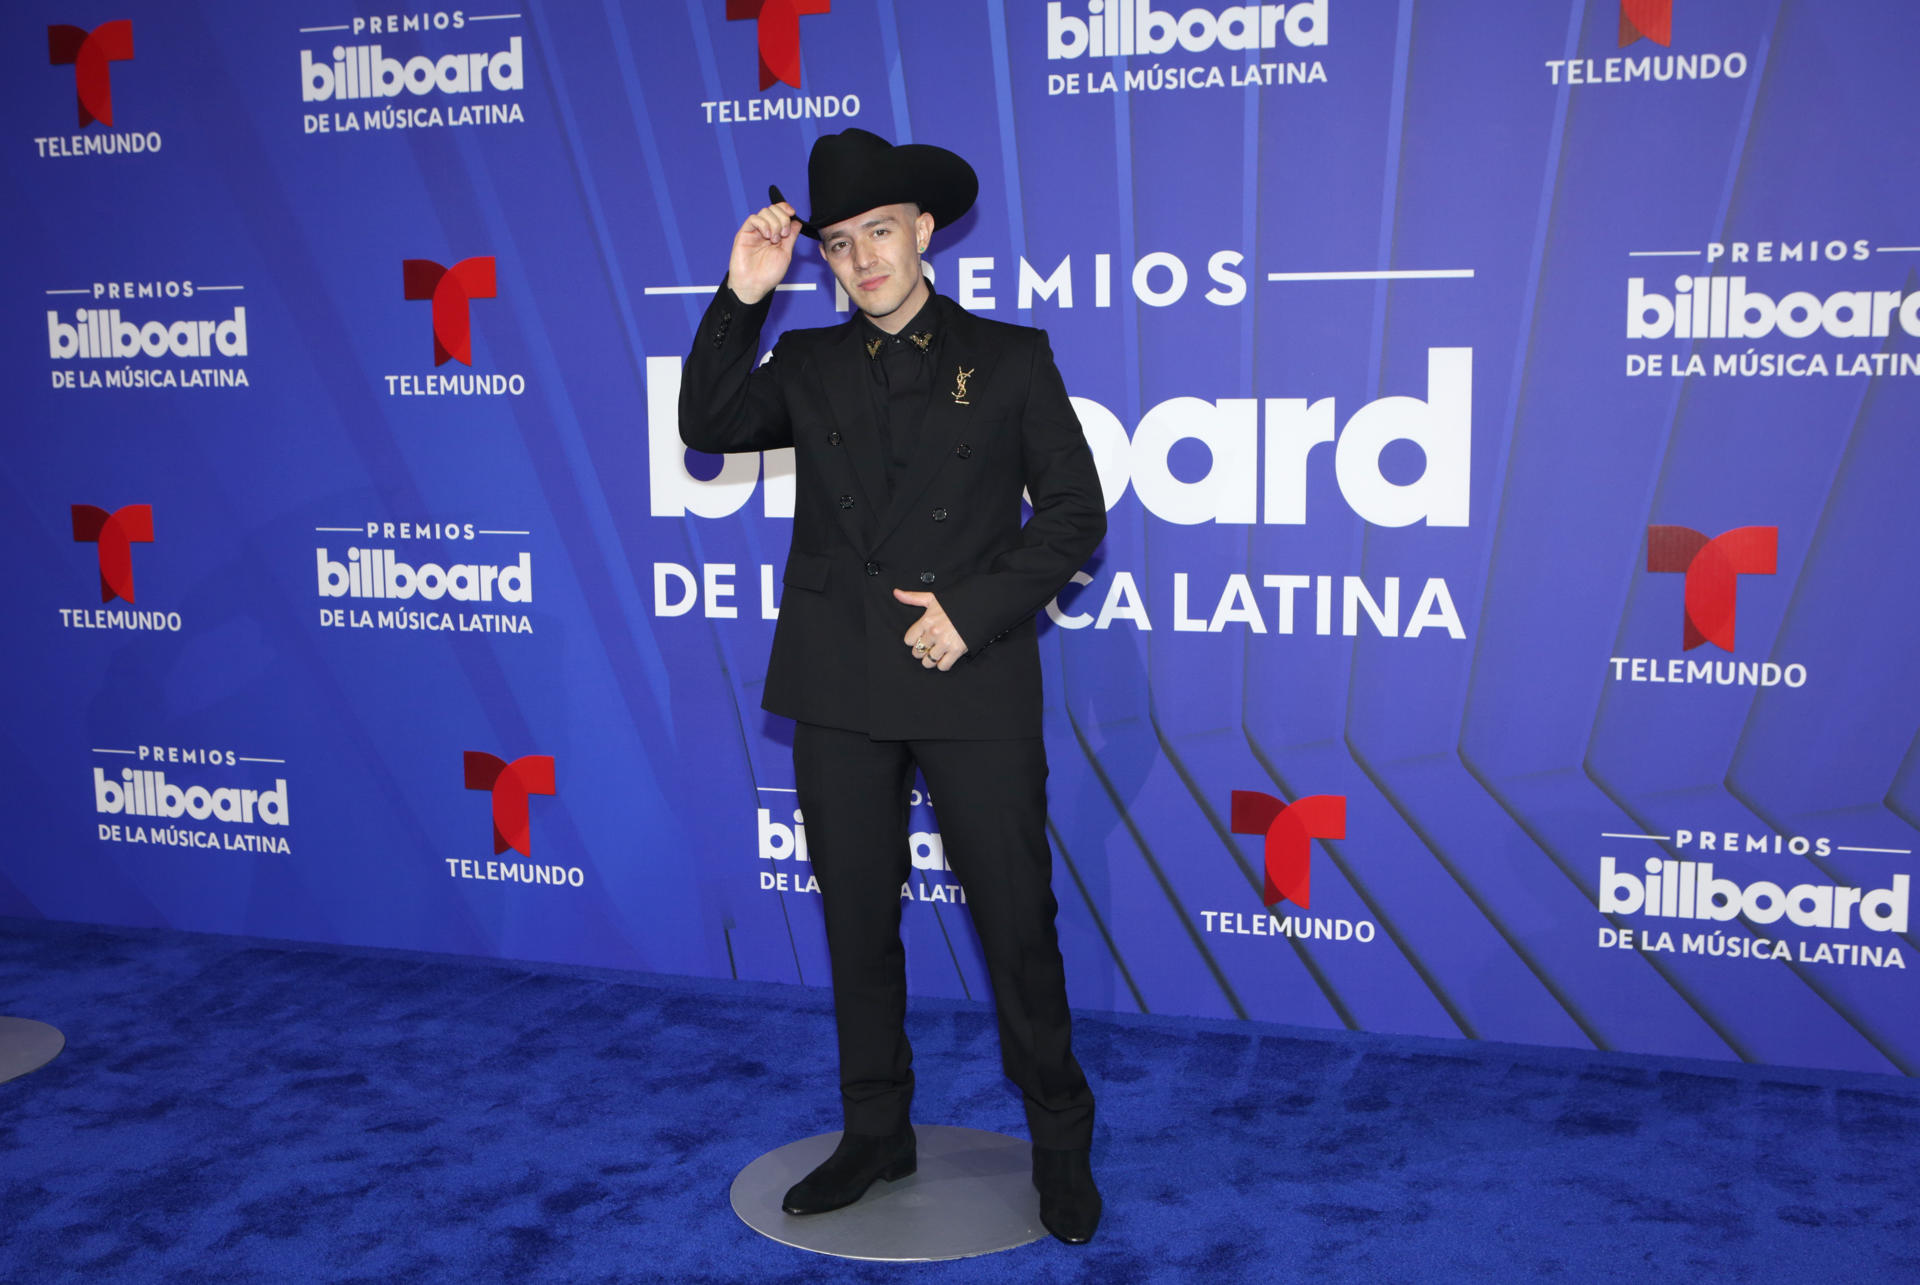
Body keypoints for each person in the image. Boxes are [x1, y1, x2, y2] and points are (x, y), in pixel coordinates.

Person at [677, 128, 1106, 1245]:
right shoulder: (807, 366)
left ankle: (1062, 1139)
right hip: (841, 680)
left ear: (924, 230)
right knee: (858, 921)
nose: (860, 260)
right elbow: (707, 427)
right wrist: (742, 294)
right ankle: (878, 1131)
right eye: (836, 245)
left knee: (1017, 921)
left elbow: (1073, 515)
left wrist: (971, 612)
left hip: (970, 677)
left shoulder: (1012, 357)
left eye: (878, 232)